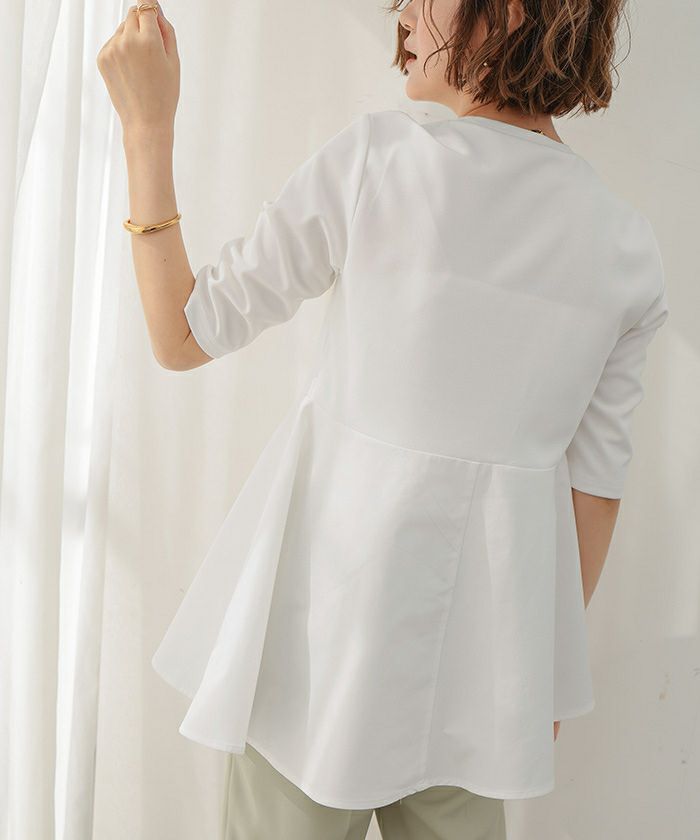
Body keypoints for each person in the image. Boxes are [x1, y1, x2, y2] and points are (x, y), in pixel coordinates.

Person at [98, 1, 670, 838]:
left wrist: (146, 128)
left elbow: (182, 335)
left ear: (506, 12)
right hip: (477, 684)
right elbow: (596, 491)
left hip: (313, 663)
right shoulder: (626, 249)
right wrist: (539, 673)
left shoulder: (379, 162)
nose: (400, 10)